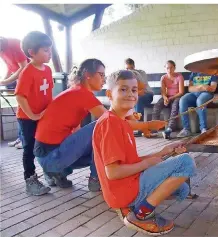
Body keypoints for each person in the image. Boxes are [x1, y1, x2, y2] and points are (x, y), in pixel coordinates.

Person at [33, 59, 165, 192]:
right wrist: (147, 125)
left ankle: (59, 172)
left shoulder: (77, 92)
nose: (104, 79)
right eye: (101, 75)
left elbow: (77, 132)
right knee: (102, 124)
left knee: (98, 136)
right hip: (50, 156)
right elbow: (112, 121)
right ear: (87, 75)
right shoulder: (82, 93)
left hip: (51, 156)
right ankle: (94, 179)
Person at [92, 69, 196, 235]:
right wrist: (148, 163)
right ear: (109, 94)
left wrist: (162, 152)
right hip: (123, 191)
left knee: (182, 188)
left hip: (129, 183)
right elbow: (113, 172)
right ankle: (141, 215)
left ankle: (138, 205)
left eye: (134, 90)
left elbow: (131, 161)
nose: (130, 94)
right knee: (186, 162)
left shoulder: (122, 122)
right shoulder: (109, 124)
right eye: (123, 89)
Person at [15, 31, 53, 195]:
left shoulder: (48, 69)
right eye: (45, 50)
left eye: (50, 50)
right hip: (27, 118)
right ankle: (30, 180)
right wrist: (32, 115)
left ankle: (51, 173)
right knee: (29, 148)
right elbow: (20, 96)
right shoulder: (27, 71)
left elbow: (48, 92)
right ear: (32, 52)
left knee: (46, 145)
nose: (49, 53)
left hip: (43, 116)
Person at [0, 36, 29, 149]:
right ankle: (20, 138)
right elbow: (9, 66)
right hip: (18, 79)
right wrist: (3, 81)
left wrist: (6, 81)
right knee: (19, 112)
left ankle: (24, 139)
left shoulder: (14, 45)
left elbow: (23, 67)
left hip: (27, 79)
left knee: (23, 112)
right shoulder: (2, 50)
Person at [177, 72, 218, 138]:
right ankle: (186, 129)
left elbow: (212, 88)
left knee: (200, 100)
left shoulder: (212, 72)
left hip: (207, 95)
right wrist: (202, 86)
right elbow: (190, 89)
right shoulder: (193, 73)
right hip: (194, 94)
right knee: (182, 100)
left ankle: (203, 129)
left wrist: (196, 88)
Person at [152, 60, 184, 139]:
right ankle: (154, 129)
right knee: (157, 106)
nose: (169, 70)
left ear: (174, 68)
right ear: (165, 69)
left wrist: (170, 98)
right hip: (167, 97)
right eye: (167, 68)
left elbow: (181, 92)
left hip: (176, 96)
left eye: (171, 68)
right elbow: (163, 92)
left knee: (175, 107)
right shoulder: (163, 78)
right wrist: (165, 98)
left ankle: (169, 129)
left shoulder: (179, 77)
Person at [125, 58, 154, 123]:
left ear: (134, 67)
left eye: (131, 68)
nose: (129, 70)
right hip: (136, 96)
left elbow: (142, 90)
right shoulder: (125, 76)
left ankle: (139, 124)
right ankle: (126, 125)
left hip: (147, 95)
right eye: (127, 69)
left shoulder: (141, 73)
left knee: (138, 100)